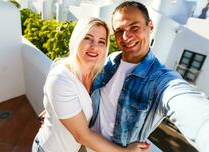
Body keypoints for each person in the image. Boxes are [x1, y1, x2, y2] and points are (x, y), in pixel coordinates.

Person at [89, 1, 209, 152]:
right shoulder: (110, 60)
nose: (126, 37)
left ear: (150, 26)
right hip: (88, 144)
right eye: (119, 31)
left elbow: (187, 104)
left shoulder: (161, 79)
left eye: (134, 27)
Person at [33, 17, 149, 152]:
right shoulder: (61, 79)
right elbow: (82, 136)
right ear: (77, 39)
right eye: (88, 38)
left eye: (101, 41)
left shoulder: (97, 73)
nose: (94, 46)